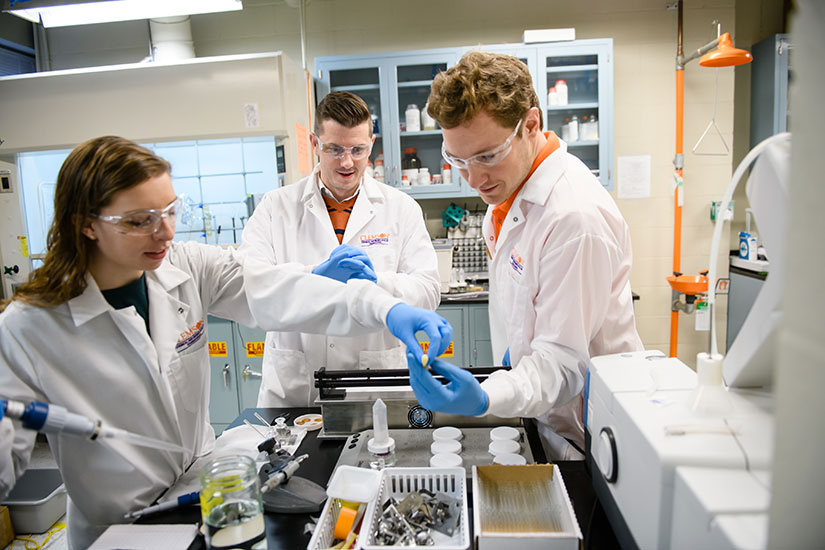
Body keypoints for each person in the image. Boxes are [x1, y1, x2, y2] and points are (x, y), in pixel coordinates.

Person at [0, 136, 450, 548]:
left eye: (170, 211)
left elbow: (277, 291)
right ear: (86, 225)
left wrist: (387, 308)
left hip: (205, 498)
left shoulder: (187, 266)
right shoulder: (30, 327)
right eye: (141, 220)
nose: (165, 232)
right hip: (117, 530)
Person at [409, 51, 643, 460]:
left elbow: (563, 366)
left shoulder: (574, 219)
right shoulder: (509, 198)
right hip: (542, 417)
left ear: (531, 124)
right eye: (458, 159)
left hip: (588, 439)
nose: (475, 178)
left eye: (487, 155)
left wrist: (484, 397)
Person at [240, 91, 441, 407]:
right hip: (297, 391)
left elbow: (428, 290)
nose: (347, 162)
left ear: (371, 143)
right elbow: (250, 288)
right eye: (334, 149)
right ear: (314, 142)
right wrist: (314, 279)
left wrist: (375, 285)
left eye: (358, 149)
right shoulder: (275, 208)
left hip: (377, 387)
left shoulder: (401, 208)